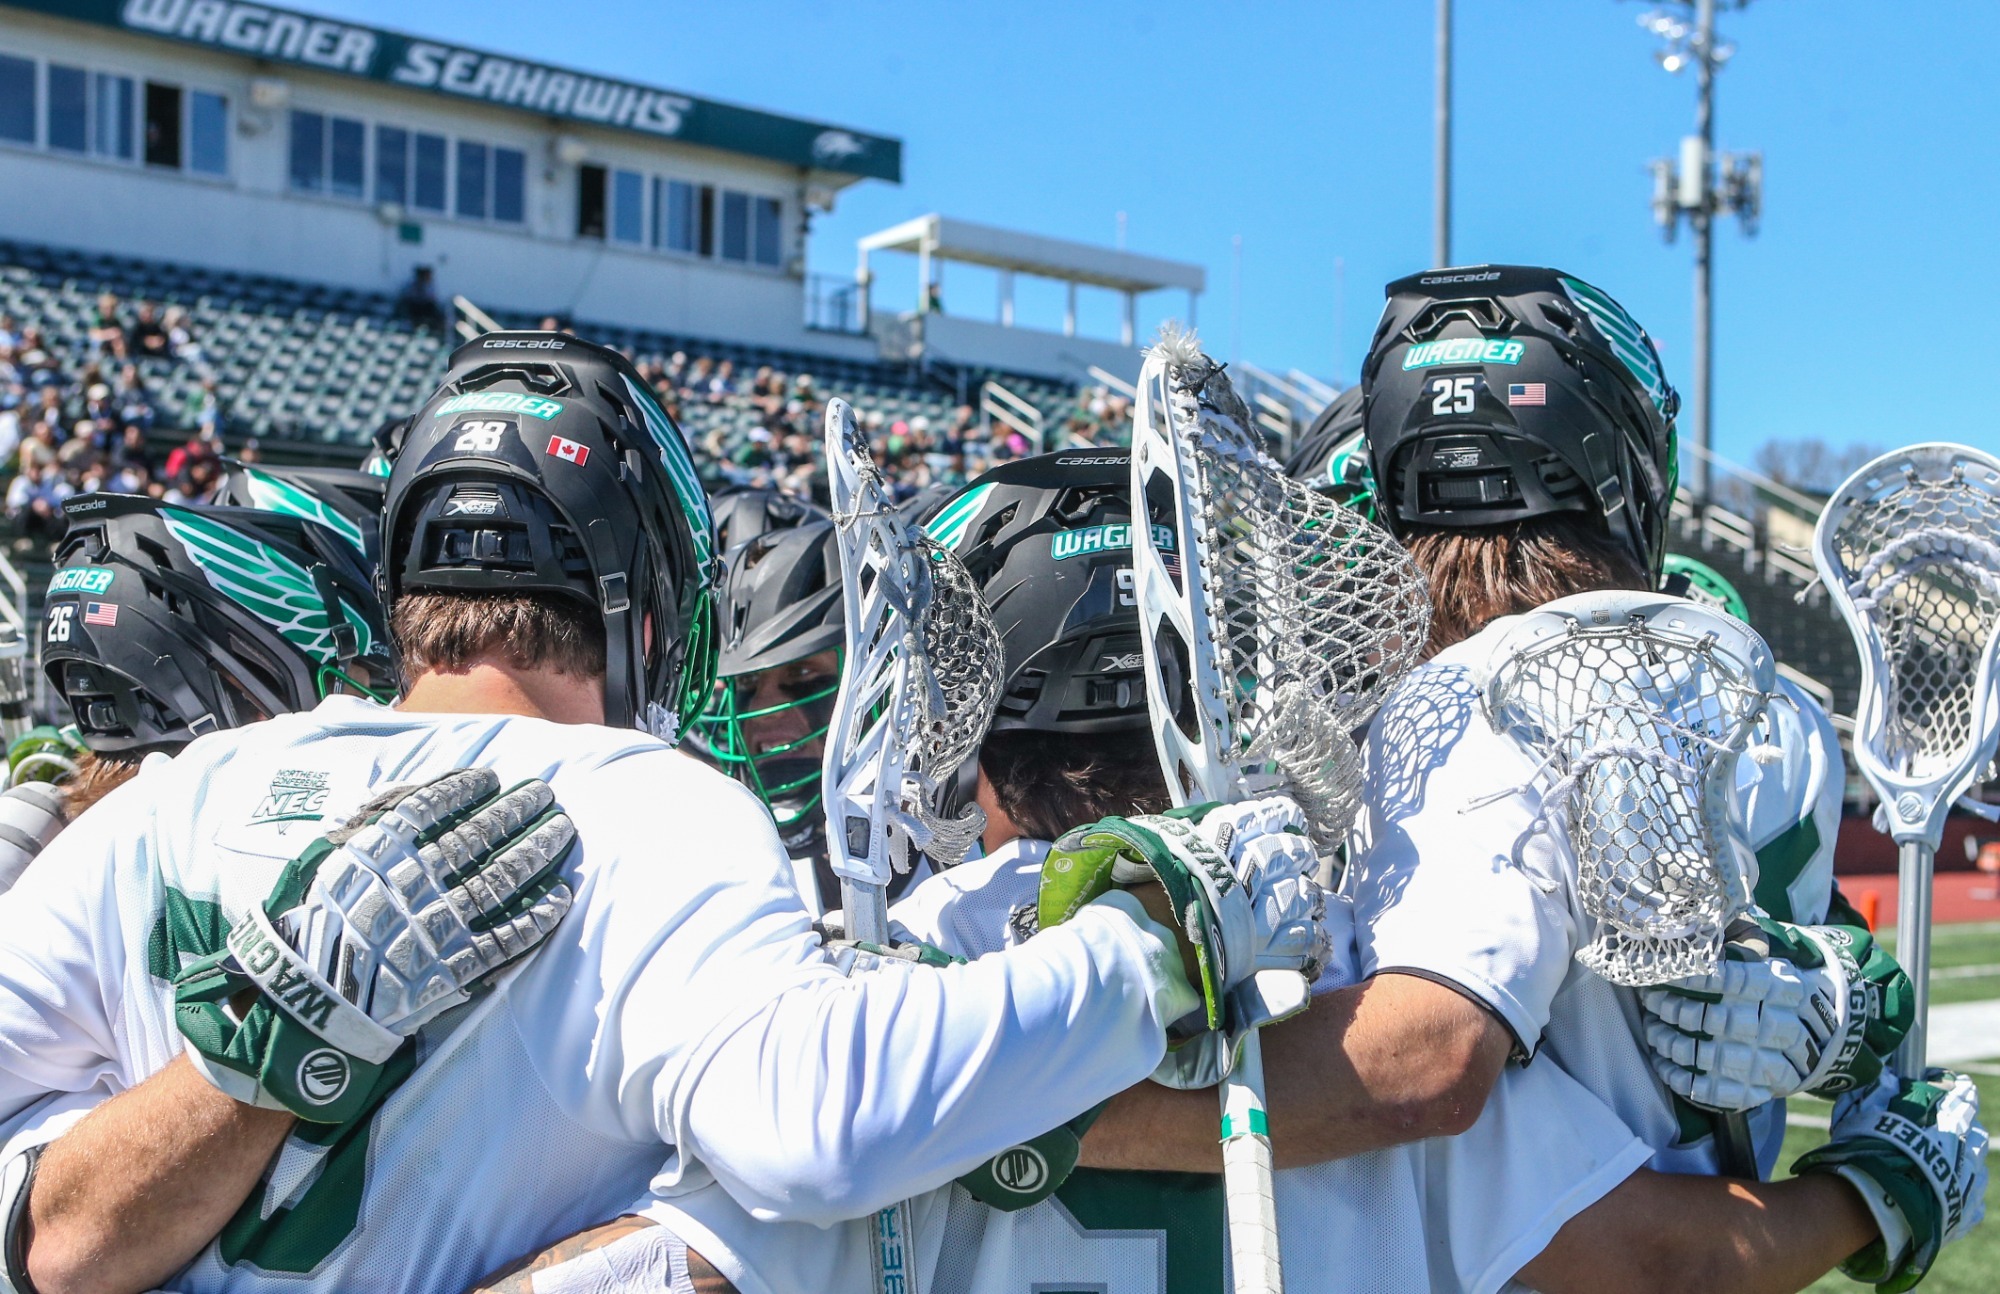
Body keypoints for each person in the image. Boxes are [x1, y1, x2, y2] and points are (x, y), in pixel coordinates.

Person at [0, 334, 1315, 1294]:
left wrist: (218, 1087)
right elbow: (821, 1130)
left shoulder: (170, 800)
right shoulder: (651, 810)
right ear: (645, 603)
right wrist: (1149, 936)